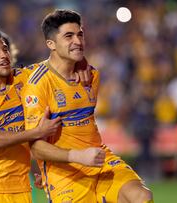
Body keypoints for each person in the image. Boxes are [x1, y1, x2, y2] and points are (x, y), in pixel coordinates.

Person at [0, 30, 105, 203]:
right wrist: (37, 132)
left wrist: (80, 63)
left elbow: (59, 64)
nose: (4, 55)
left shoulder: (26, 78)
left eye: (5, 49)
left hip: (20, 190)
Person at [22, 9, 154, 203]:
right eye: (69, 36)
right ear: (51, 44)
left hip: (99, 159)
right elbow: (36, 148)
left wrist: (81, 62)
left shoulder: (91, 75)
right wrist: (78, 156)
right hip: (64, 173)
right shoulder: (38, 85)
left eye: (80, 34)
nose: (78, 41)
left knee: (141, 196)